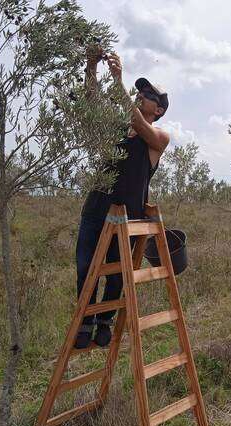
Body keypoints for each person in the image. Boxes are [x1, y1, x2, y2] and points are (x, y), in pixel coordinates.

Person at [74, 48, 170, 349]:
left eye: (148, 95)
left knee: (116, 272)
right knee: (85, 267)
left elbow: (139, 126)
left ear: (159, 110)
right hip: (96, 208)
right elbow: (92, 104)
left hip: (127, 216)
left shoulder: (159, 137)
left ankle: (104, 322)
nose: (141, 95)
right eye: (139, 91)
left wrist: (118, 81)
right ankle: (85, 322)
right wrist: (92, 65)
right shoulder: (116, 129)